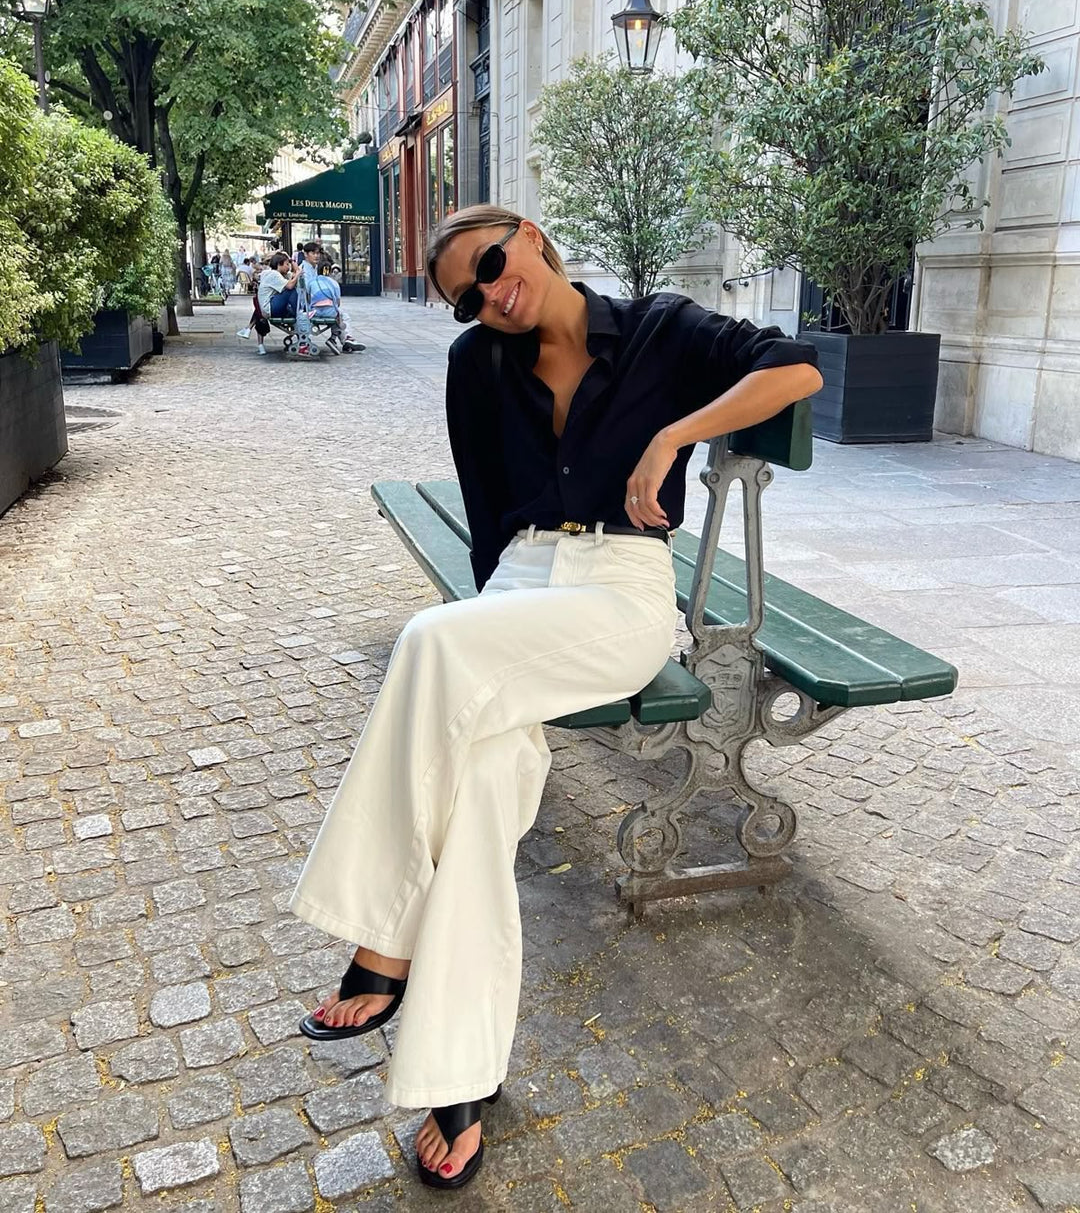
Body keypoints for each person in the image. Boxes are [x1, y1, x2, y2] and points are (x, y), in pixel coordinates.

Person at [288, 204, 823, 1191]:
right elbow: (489, 510)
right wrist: (494, 629)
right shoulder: (477, 365)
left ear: (530, 236)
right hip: (519, 588)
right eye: (467, 297)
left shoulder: (662, 329)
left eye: (492, 264)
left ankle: (386, 941)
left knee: (427, 641)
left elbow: (797, 370)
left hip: (621, 592)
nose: (491, 296)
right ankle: (458, 1077)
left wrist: (672, 436)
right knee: (482, 783)